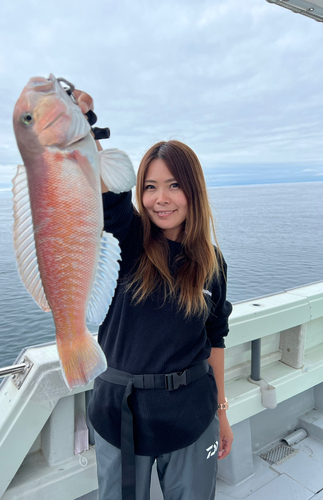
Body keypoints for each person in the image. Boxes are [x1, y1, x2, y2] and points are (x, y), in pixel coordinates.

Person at [73, 90, 233, 500]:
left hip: (193, 414)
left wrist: (221, 413)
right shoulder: (127, 240)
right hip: (118, 415)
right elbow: (107, 195)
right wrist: (80, 126)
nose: (161, 199)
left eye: (174, 185)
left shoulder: (212, 262)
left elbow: (214, 338)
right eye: (150, 187)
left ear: (193, 190)